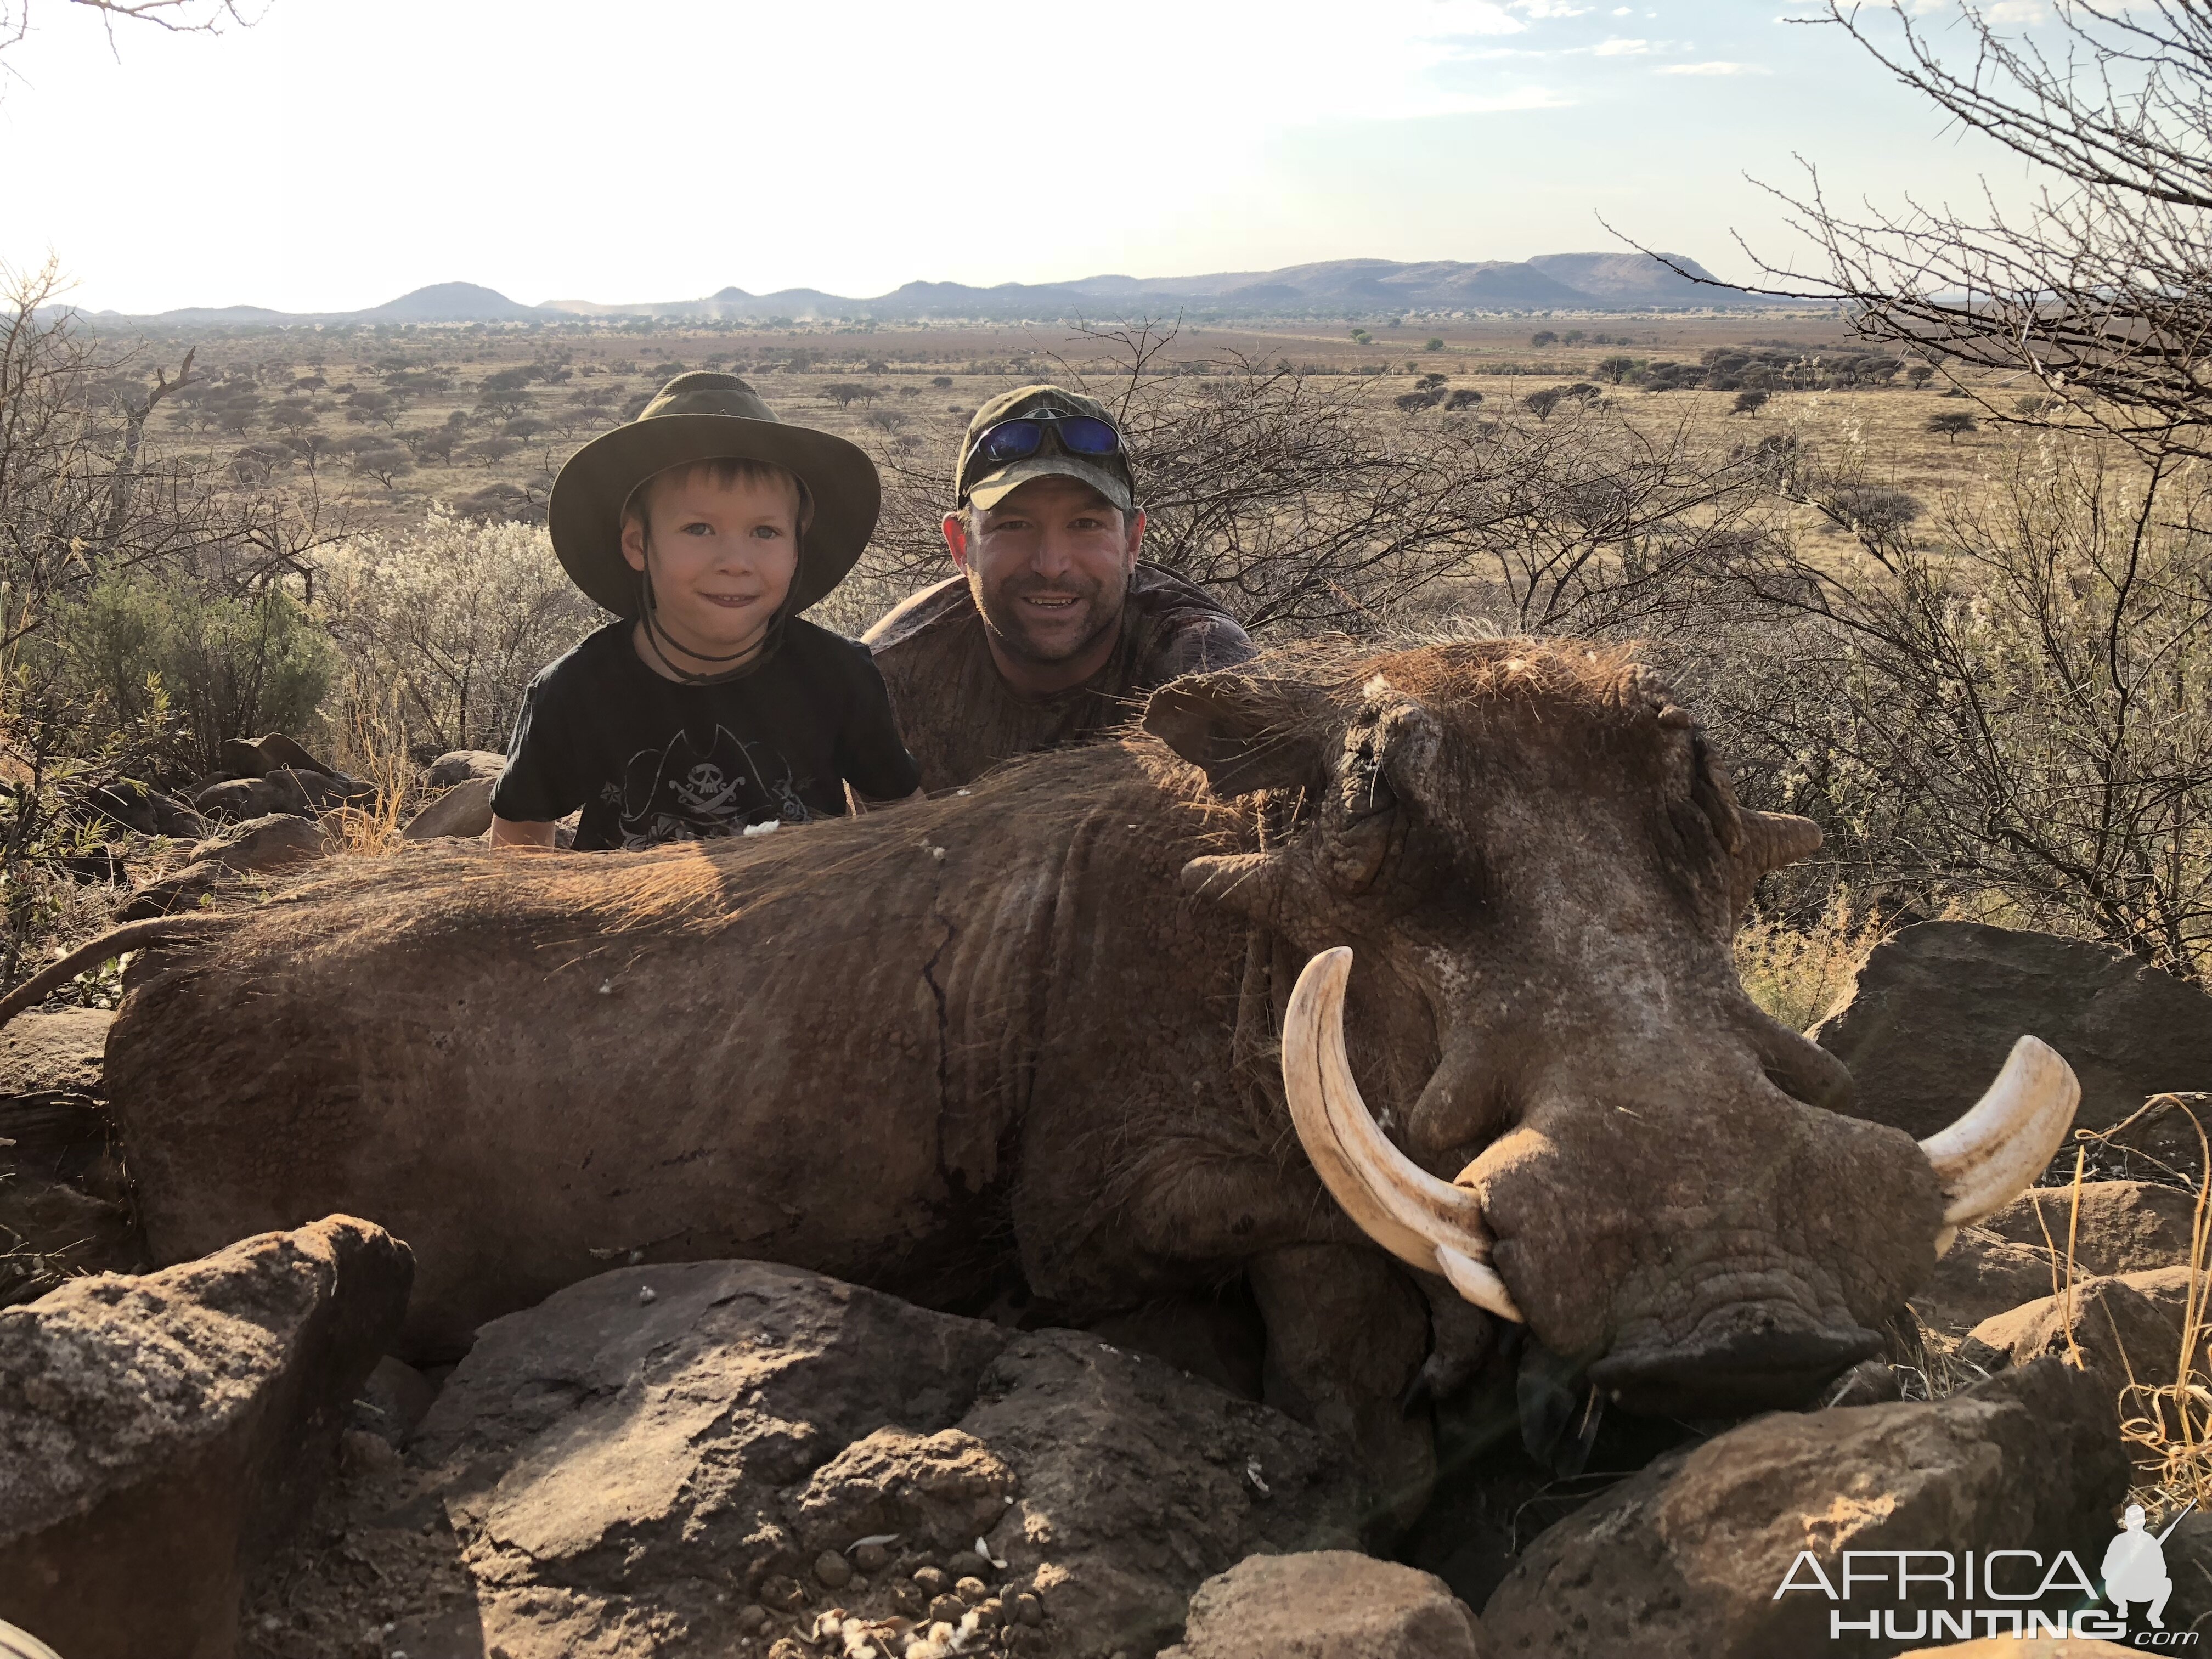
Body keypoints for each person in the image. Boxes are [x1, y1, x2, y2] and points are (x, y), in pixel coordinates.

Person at [490, 373, 920, 850]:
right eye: (699, 529)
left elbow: (901, 819)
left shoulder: (839, 677)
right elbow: (519, 849)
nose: (736, 563)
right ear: (637, 544)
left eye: (765, 532)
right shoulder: (575, 691)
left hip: (800, 921)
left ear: (798, 549)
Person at [863, 385, 1255, 793]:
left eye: (1085, 524)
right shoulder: (887, 679)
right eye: (1014, 525)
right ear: (962, 546)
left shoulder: (1205, 671)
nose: (1050, 565)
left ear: (1132, 542)